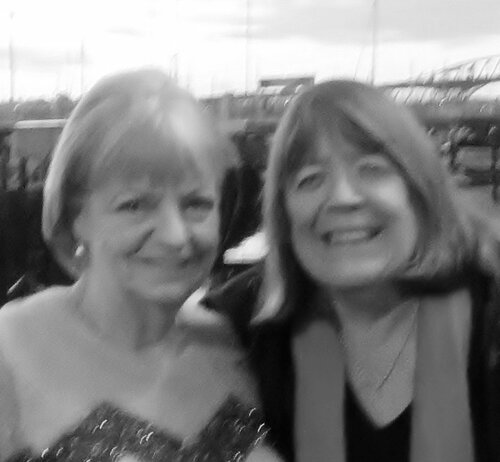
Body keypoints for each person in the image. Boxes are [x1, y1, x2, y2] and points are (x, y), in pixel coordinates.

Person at [204, 80, 500, 462]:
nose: (342, 197)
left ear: (419, 192)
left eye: (372, 169)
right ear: (285, 215)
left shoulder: (490, 317)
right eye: (310, 179)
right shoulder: (252, 323)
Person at [0, 69, 281, 462]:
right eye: (134, 205)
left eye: (196, 204)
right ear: (76, 218)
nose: (175, 235)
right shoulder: (10, 351)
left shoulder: (229, 339)